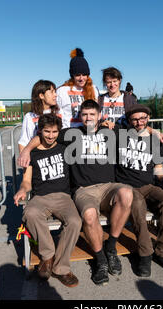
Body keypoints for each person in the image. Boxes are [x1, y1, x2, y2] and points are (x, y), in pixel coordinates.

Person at [19, 99, 134, 286]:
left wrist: (157, 133)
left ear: (100, 116)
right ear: (80, 116)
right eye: (85, 114)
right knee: (87, 214)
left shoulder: (110, 132)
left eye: (92, 114)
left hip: (108, 187)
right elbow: (46, 134)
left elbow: (140, 132)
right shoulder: (72, 134)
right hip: (84, 190)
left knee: (127, 193)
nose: (88, 118)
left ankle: (111, 248)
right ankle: (101, 260)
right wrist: (27, 151)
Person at [13, 114, 82, 287]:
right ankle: (48, 255)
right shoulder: (33, 154)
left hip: (63, 197)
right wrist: (22, 189)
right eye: (47, 131)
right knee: (30, 213)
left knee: (74, 221)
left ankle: (61, 268)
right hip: (40, 197)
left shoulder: (64, 147)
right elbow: (27, 181)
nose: (51, 136)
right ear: (39, 131)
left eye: (54, 132)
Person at [116, 103, 163, 277]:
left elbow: (158, 168)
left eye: (142, 118)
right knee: (137, 204)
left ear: (148, 119)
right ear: (129, 121)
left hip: (148, 185)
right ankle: (145, 254)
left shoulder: (154, 141)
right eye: (134, 119)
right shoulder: (120, 135)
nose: (139, 123)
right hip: (126, 186)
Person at [57, 48, 100, 129]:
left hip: (88, 132)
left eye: (84, 74)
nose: (81, 78)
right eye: (77, 75)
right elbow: (57, 115)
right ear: (72, 76)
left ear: (87, 75)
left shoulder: (94, 89)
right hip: (68, 133)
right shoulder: (62, 91)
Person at [18, 80, 58, 153]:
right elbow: (23, 142)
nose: (55, 95)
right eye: (52, 92)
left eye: (55, 92)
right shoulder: (29, 116)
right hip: (38, 158)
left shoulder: (59, 113)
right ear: (41, 96)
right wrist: (27, 163)